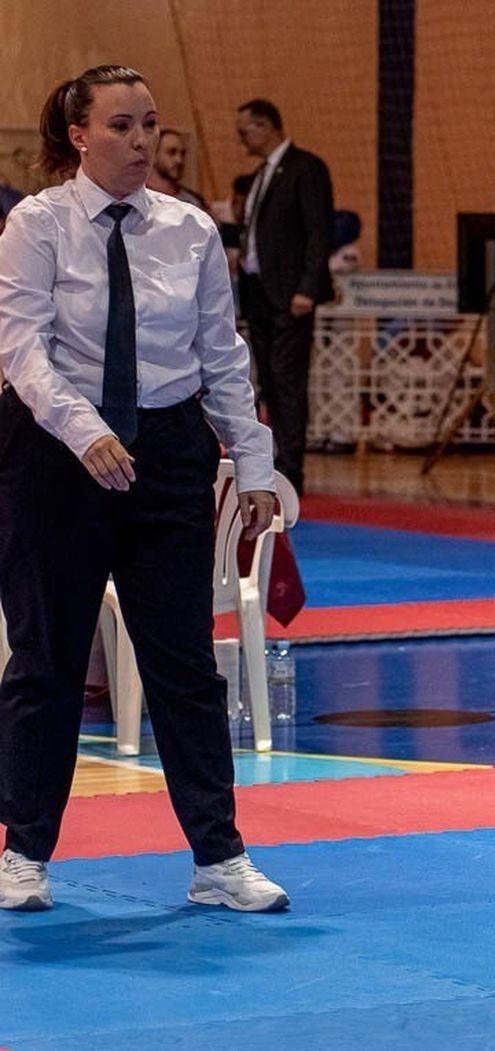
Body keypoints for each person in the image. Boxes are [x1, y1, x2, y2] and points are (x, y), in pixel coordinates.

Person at [0, 64, 287, 913]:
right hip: (56, 449)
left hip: (165, 451)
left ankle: (218, 857)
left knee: (185, 662)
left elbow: (222, 354)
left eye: (149, 125)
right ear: (79, 134)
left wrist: (257, 461)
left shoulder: (191, 230)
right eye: (120, 125)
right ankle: (25, 853)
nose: (140, 141)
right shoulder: (37, 225)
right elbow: (21, 347)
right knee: (46, 659)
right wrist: (84, 431)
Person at [235, 97, 333, 495]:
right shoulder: (261, 174)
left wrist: (307, 288)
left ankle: (292, 468)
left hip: (290, 294)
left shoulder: (305, 169)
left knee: (288, 382)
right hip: (259, 292)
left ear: (266, 126)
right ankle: (276, 459)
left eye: (246, 132)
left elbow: (318, 231)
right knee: (271, 381)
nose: (243, 141)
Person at [146, 128, 208, 213]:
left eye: (182, 154)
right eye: (172, 152)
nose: (179, 160)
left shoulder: (193, 202)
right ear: (153, 156)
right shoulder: (137, 199)